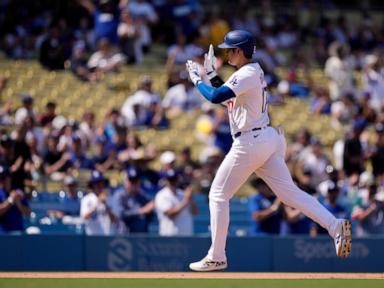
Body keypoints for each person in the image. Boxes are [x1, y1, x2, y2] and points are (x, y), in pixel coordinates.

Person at [185, 30, 352, 271]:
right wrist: (211, 74)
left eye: (229, 49)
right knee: (289, 195)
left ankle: (217, 255)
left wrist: (197, 79)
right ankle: (334, 225)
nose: (227, 53)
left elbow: (215, 97)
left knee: (218, 195)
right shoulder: (253, 71)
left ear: (239, 51)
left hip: (251, 142)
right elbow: (228, 100)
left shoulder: (247, 73)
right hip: (266, 139)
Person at [154, 169, 197, 236]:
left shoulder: (183, 194)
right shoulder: (161, 195)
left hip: (187, 237)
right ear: (166, 181)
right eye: (170, 180)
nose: (173, 182)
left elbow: (195, 212)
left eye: (174, 179)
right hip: (169, 239)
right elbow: (171, 214)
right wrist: (186, 199)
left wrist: (191, 199)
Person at [112, 168, 154, 233]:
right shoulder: (120, 195)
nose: (134, 184)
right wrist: (140, 211)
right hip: (125, 237)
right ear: (126, 181)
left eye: (136, 181)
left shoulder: (142, 195)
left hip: (141, 236)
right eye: (131, 181)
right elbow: (119, 214)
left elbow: (149, 212)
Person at [80, 170, 116, 235]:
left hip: (107, 236)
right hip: (92, 237)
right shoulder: (86, 199)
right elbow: (84, 217)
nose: (99, 185)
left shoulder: (110, 198)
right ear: (92, 185)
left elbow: (114, 221)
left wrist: (106, 205)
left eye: (100, 182)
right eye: (96, 183)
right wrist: (97, 203)